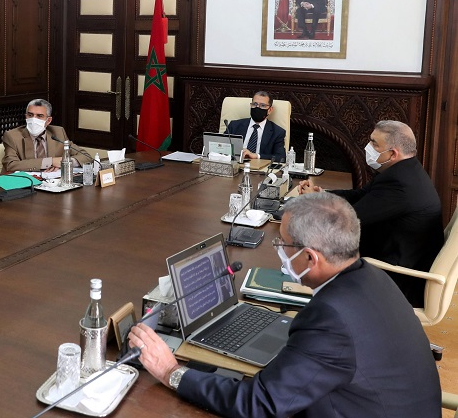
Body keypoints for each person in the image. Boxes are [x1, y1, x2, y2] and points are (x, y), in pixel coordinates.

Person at [128, 192, 441, 417]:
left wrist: (172, 371)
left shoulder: (330, 319)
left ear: (310, 257)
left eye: (282, 243)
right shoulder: (371, 276)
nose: (278, 249)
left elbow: (260, 404)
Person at [298, 120, 443, 306]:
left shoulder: (401, 185)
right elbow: (361, 195)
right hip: (391, 256)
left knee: (309, 254)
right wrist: (321, 194)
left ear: (392, 153)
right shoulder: (403, 170)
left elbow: (349, 220)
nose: (368, 147)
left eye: (374, 143)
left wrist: (313, 203)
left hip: (396, 279)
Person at [2, 99, 81, 172]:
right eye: (30, 115)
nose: (34, 119)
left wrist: (63, 162)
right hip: (24, 181)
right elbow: (10, 165)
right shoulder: (12, 136)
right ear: (26, 117)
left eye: (39, 116)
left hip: (51, 180)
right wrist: (50, 162)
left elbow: (84, 156)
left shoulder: (58, 132)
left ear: (48, 120)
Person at [225, 91, 286, 161]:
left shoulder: (277, 132)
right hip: (236, 164)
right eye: (255, 104)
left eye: (262, 105)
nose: (257, 108)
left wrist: (257, 156)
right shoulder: (234, 126)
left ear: (270, 110)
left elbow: (281, 157)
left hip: (259, 166)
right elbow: (220, 147)